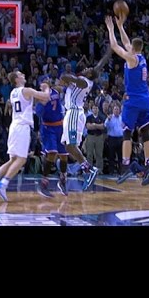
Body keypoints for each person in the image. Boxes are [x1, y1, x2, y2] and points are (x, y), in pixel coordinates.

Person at [0, 71, 51, 202]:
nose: (24, 75)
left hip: (14, 126)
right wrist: (46, 87)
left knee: (13, 160)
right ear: (17, 79)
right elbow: (46, 97)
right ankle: (3, 184)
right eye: (21, 74)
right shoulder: (26, 90)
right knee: (21, 159)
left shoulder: (13, 92)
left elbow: (36, 102)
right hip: (22, 127)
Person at [104, 15, 149, 186]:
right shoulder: (141, 57)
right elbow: (126, 43)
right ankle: (148, 165)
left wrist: (111, 29)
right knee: (145, 133)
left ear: (133, 48)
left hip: (133, 101)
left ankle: (125, 165)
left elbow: (115, 46)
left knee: (126, 132)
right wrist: (120, 26)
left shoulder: (131, 59)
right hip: (145, 100)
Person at [58, 50, 112, 192]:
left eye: (88, 69)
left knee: (71, 144)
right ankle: (87, 168)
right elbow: (99, 65)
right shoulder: (88, 78)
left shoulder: (84, 81)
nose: (86, 68)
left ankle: (89, 170)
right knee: (68, 146)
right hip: (74, 113)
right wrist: (111, 49)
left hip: (74, 112)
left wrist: (68, 78)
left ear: (89, 75)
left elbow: (65, 76)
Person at [34, 78, 68, 197]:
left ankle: (62, 180)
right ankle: (43, 183)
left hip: (60, 127)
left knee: (64, 156)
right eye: (42, 84)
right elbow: (38, 113)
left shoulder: (56, 91)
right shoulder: (40, 97)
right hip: (48, 128)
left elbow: (65, 87)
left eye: (46, 82)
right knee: (52, 153)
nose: (44, 85)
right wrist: (42, 103)